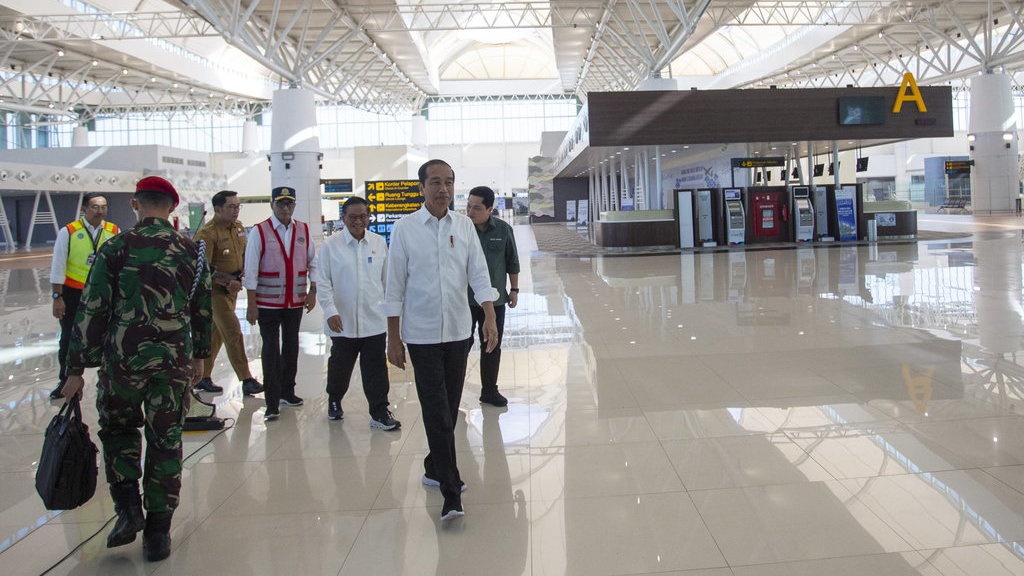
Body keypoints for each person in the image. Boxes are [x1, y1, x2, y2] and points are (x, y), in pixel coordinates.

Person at [61, 176, 211, 562]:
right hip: (173, 362)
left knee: (118, 430)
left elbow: (91, 309)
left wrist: (76, 368)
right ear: (172, 207)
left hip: (123, 361)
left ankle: (128, 509)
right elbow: (202, 309)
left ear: (135, 205)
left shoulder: (115, 248)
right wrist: (200, 358)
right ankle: (158, 533)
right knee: (166, 438)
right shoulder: (191, 251)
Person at [384, 159, 499, 521]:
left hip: (457, 333)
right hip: (420, 334)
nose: (443, 189)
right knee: (435, 406)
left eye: (448, 182)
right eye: (435, 182)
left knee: (448, 407)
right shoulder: (405, 229)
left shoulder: (463, 226)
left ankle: (434, 465)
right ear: (422, 187)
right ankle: (451, 490)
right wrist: (393, 337)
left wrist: (490, 316)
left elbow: (479, 274)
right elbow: (394, 285)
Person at [315, 196, 400, 430]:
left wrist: (393, 312)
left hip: (374, 319)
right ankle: (334, 399)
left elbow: (387, 280)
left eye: (363, 216)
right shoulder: (331, 246)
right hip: (343, 321)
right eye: (353, 217)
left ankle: (379, 410)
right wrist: (330, 311)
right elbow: (322, 282)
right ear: (344, 218)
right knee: (340, 365)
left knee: (376, 368)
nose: (359, 221)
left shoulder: (378, 242)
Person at [243, 186, 317, 422]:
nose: (285, 208)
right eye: (281, 204)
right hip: (268, 303)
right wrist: (251, 303)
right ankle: (272, 401)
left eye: (289, 204)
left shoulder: (303, 230)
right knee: (271, 349)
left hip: (294, 302)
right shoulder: (260, 231)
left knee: (292, 346)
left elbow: (313, 263)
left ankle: (288, 391)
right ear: (272, 205)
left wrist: (312, 290)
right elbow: (251, 268)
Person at [48, 192, 119, 400]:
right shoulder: (69, 231)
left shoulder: (113, 231)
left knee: (108, 338)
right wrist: (57, 297)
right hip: (73, 293)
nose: (100, 210)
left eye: (104, 206)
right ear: (84, 209)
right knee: (69, 338)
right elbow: (58, 266)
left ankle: (107, 381)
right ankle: (65, 381)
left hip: (104, 292)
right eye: (95, 206)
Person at [192, 190, 264, 396]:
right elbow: (202, 266)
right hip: (214, 292)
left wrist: (240, 277)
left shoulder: (238, 228)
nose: (236, 211)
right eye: (231, 207)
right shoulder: (207, 233)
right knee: (232, 331)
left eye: (238, 206)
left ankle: (202, 377)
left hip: (233, 287)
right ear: (217, 209)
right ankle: (246, 378)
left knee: (216, 335)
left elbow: (243, 253)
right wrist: (226, 281)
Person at [465, 186, 520, 407]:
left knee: (491, 345)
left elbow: (512, 261)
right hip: (466, 300)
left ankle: (489, 390)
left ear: (490, 208)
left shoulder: (503, 230)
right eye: (468, 206)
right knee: (461, 346)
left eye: (476, 208)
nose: (470, 212)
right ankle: (453, 389)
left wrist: (514, 290)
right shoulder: (462, 230)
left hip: (496, 299)